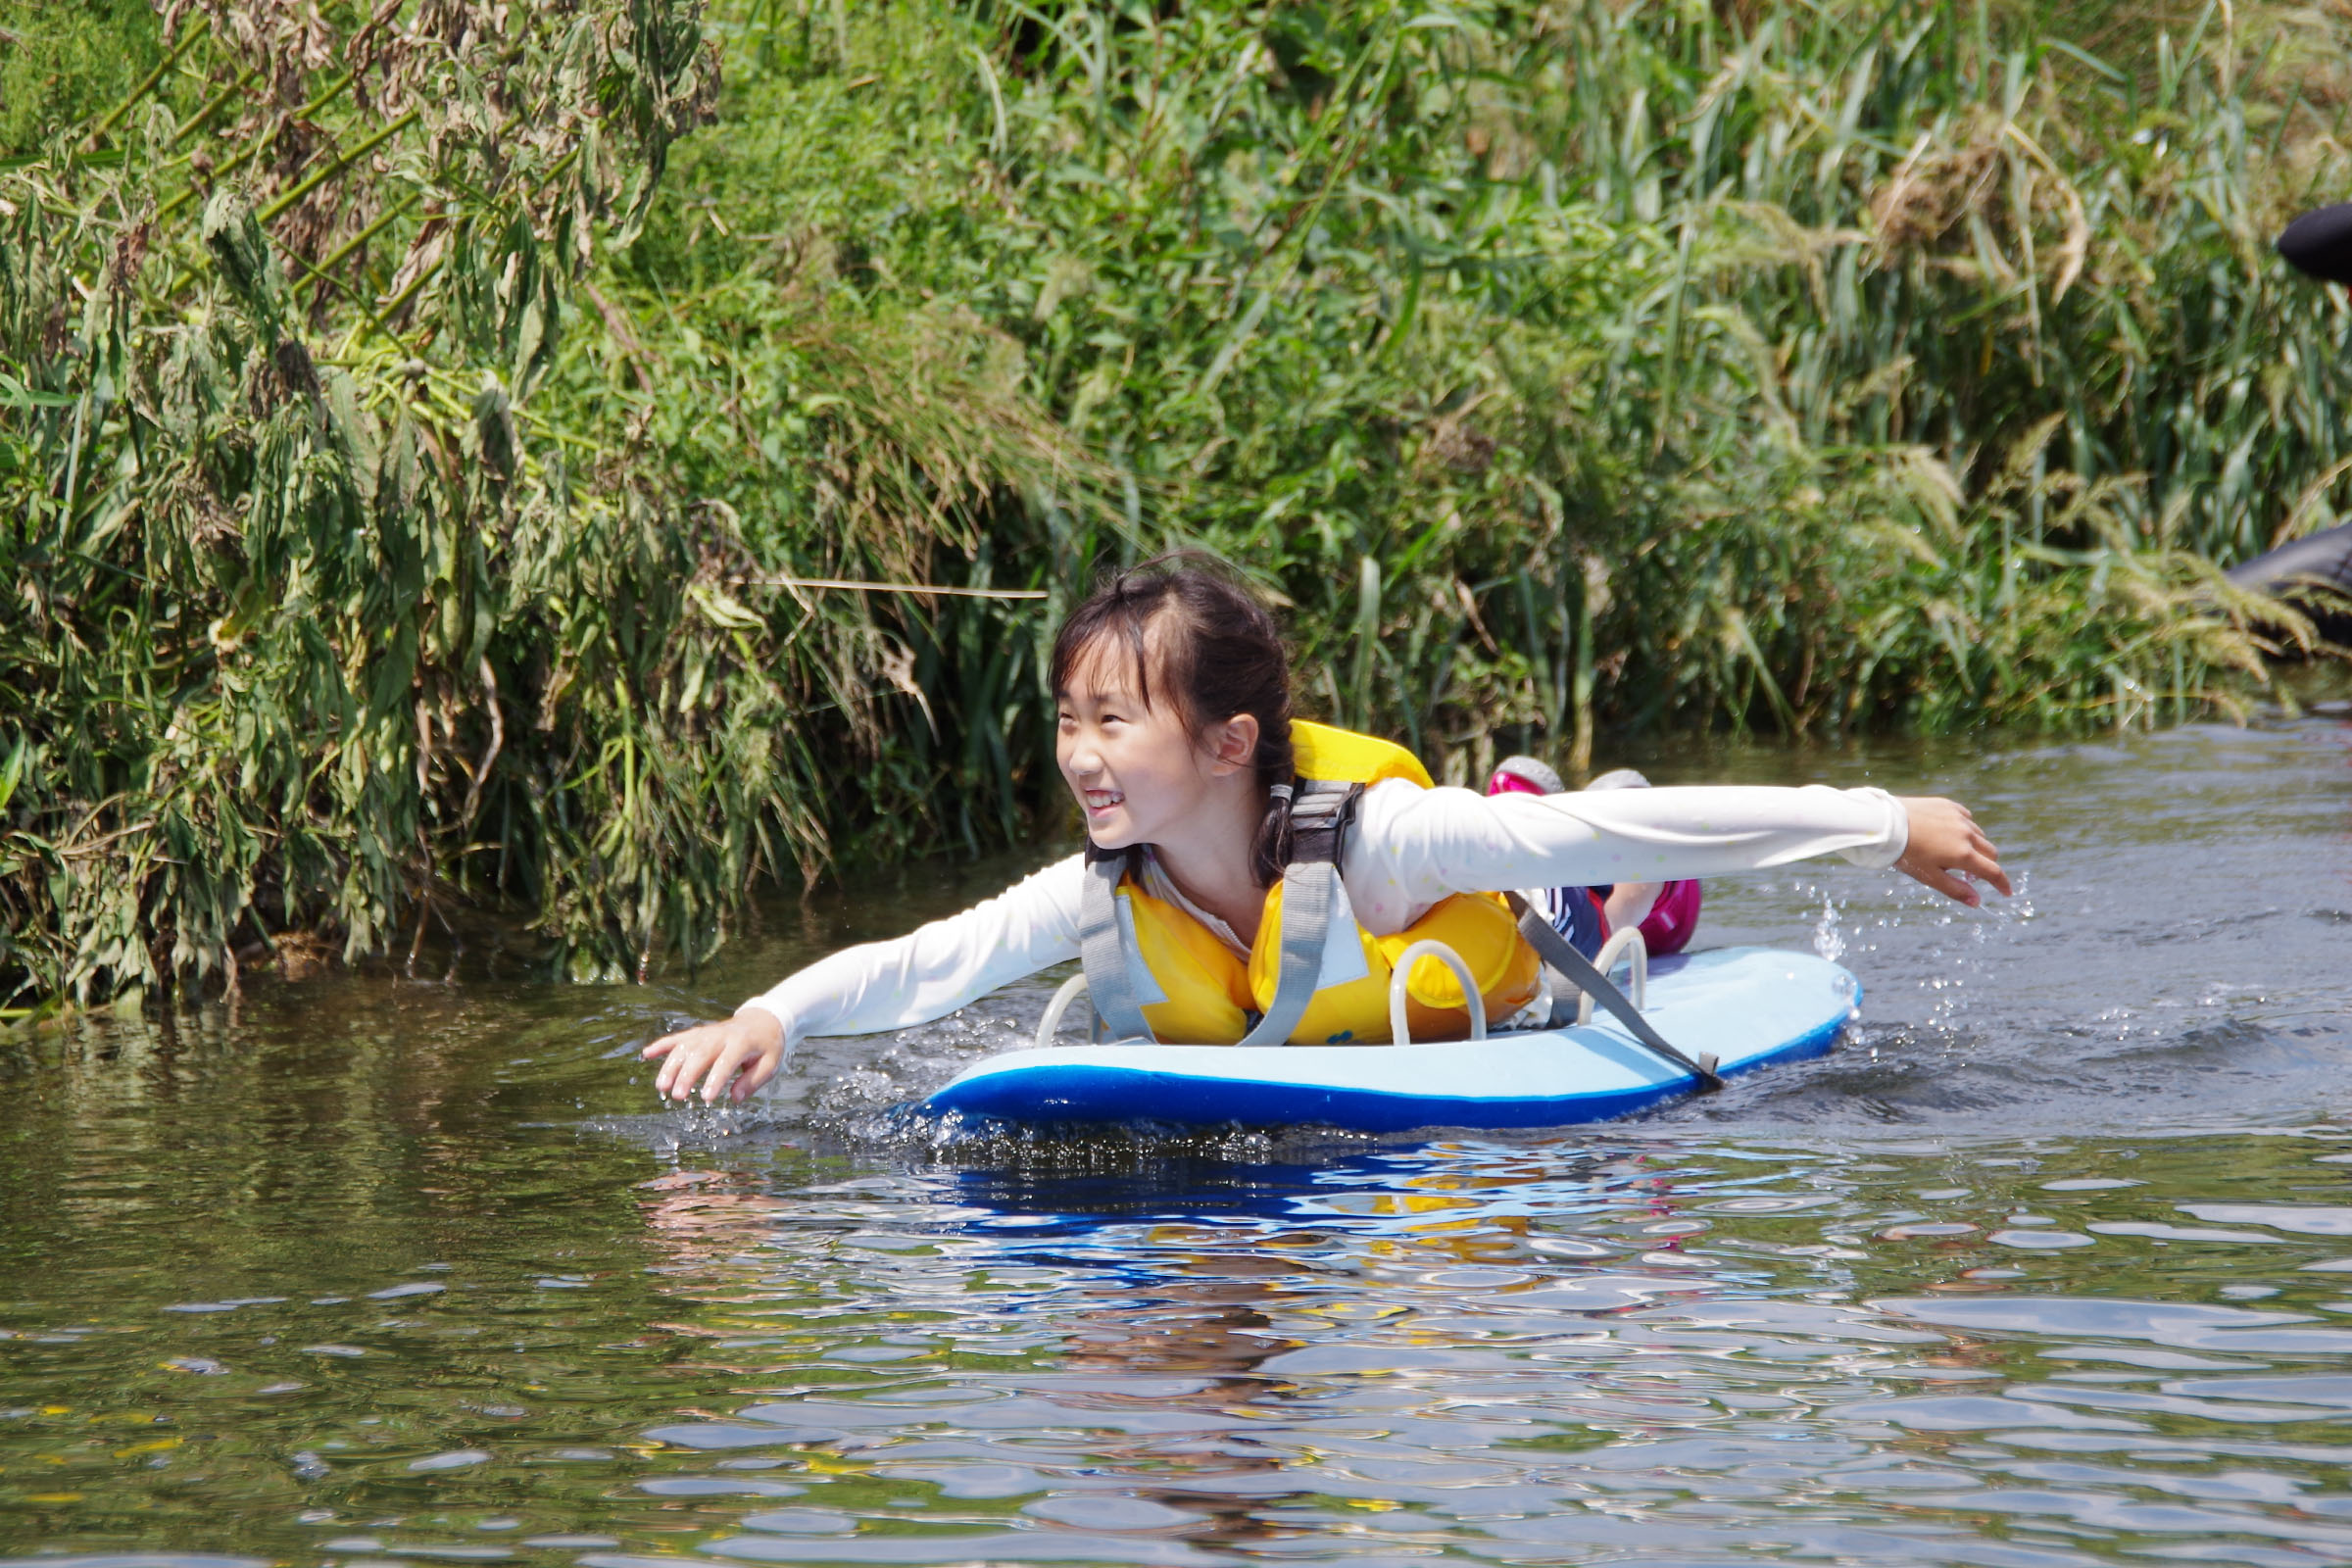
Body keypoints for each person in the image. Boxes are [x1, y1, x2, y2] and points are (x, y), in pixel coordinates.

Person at [646, 559, 2007, 1103]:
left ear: (1229, 746)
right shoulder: (1098, 884)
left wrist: (1885, 821)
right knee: (1531, 827)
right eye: (1069, 720)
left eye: (1116, 723)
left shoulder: (1382, 842)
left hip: (1533, 930)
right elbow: (932, 959)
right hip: (1386, 968)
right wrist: (771, 1016)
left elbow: (1566, 841)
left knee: (1588, 850)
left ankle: (1612, 858)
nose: (1078, 755)